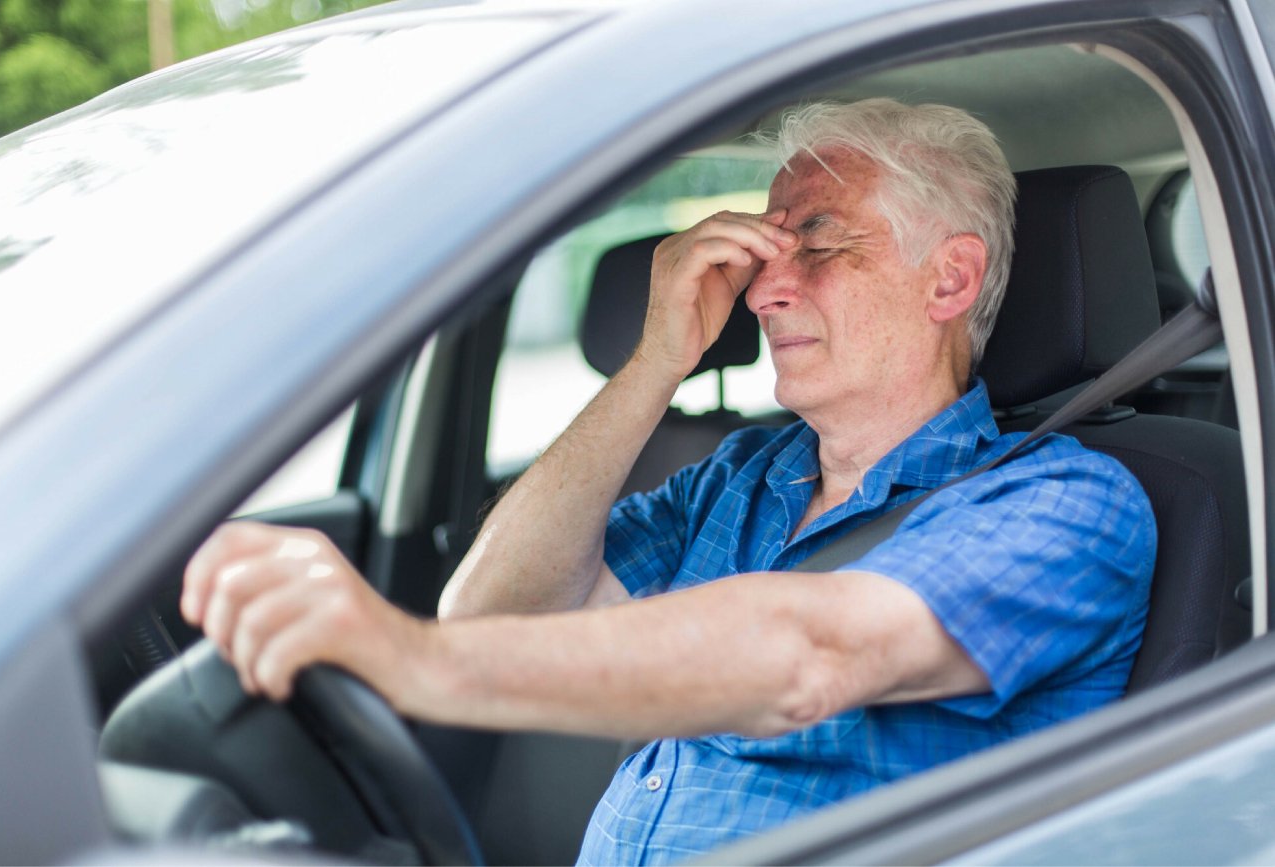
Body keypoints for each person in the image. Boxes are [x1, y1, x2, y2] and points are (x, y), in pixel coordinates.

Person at [181, 98, 1156, 864]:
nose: (765, 288)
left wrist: (410, 659)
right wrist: (656, 361)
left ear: (947, 281)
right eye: (763, 252)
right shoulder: (734, 477)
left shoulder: (1066, 507)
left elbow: (812, 657)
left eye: (815, 244)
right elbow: (490, 610)